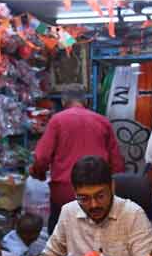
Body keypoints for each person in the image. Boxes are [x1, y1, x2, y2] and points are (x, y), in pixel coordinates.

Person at [28, 156, 152, 256]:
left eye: (100, 196)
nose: (93, 205)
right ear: (75, 192)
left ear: (112, 187)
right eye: (84, 198)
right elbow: (53, 255)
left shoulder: (133, 215)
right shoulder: (68, 212)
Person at [29, 85, 125, 232]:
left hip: (65, 192)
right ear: (85, 101)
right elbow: (117, 165)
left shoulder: (57, 121)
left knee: (60, 239)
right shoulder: (102, 121)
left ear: (63, 102)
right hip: (98, 195)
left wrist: (38, 173)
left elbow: (42, 158)